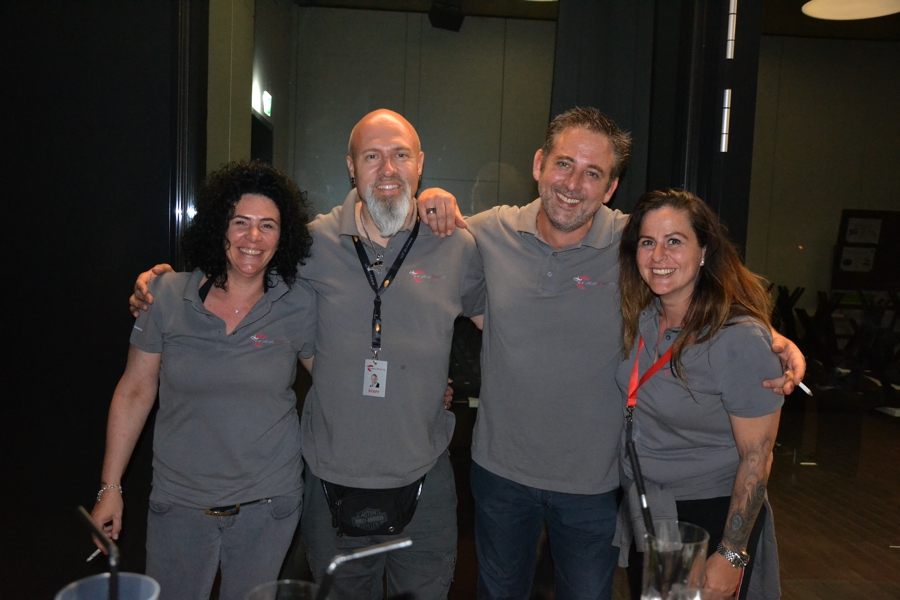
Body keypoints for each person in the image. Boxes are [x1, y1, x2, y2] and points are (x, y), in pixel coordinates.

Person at [415, 107, 804, 600]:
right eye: (564, 164)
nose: (573, 184)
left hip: (596, 485)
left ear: (611, 187)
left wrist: (769, 336)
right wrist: (428, 200)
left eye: (593, 173)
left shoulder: (634, 244)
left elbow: (698, 283)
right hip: (500, 474)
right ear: (539, 163)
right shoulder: (490, 231)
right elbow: (424, 265)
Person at [130, 110, 484, 599]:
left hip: (427, 476)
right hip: (329, 480)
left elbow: (501, 327)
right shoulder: (311, 244)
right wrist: (162, 285)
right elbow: (241, 271)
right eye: (372, 156)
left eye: (401, 155)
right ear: (351, 168)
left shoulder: (455, 244)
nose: (388, 169)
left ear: (420, 164)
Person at [91, 161, 316, 600]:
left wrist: (421, 387)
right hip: (179, 504)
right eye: (240, 222)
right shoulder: (165, 295)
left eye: (268, 225)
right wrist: (110, 488)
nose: (253, 237)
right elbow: (134, 391)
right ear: (219, 227)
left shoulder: (299, 304)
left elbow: (336, 376)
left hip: (269, 505)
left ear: (283, 237)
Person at [614, 189, 782, 600]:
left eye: (675, 241)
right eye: (648, 242)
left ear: (704, 251)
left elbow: (757, 457)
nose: (659, 256)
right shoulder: (642, 316)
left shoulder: (738, 339)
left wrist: (731, 553)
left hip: (709, 516)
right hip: (650, 509)